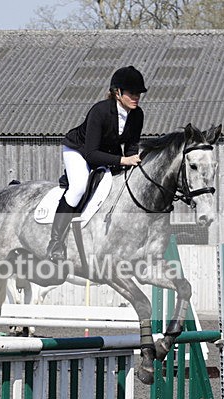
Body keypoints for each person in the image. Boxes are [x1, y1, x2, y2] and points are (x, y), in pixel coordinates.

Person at [45, 65, 147, 261]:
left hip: (108, 153)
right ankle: (55, 242)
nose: (136, 97)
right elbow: (91, 154)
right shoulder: (99, 111)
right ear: (118, 93)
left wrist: (131, 162)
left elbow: (132, 147)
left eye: (139, 93)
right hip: (79, 151)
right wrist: (123, 160)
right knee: (78, 187)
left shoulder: (138, 115)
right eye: (132, 93)